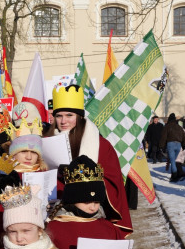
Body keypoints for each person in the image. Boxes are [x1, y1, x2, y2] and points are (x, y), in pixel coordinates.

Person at [46, 83, 132, 236]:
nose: (63, 121)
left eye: (69, 115)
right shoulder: (46, 141)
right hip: (56, 213)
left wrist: (83, 186)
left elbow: (113, 180)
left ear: (79, 117)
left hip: (92, 211)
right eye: (59, 116)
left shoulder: (101, 145)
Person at [159, 113, 185, 182]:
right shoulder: (179, 127)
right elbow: (184, 137)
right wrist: (183, 145)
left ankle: (174, 177)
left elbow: (163, 137)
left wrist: (161, 146)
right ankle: (173, 176)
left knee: (173, 161)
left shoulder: (167, 127)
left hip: (170, 144)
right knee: (173, 161)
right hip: (179, 145)